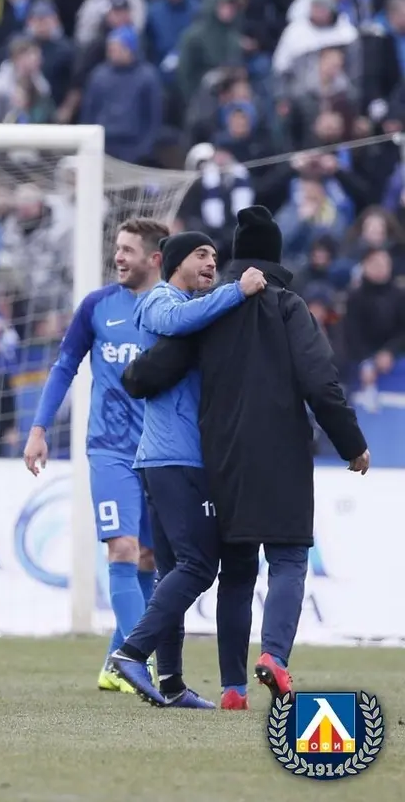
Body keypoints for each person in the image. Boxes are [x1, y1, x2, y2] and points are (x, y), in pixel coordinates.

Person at [121, 206, 369, 705]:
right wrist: (352, 444)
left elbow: (149, 373)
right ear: (276, 258)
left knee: (236, 571)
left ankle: (233, 688)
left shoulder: (212, 309)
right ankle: (273, 656)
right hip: (282, 457)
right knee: (289, 558)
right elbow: (321, 383)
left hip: (221, 462)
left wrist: (133, 377)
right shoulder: (289, 307)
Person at [108, 231, 267, 708]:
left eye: (215, 257)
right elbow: (176, 321)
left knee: (171, 572)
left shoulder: (196, 308)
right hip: (177, 459)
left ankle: (172, 683)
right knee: (199, 566)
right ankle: (131, 653)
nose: (211, 263)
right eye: (201, 255)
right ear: (174, 262)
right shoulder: (161, 300)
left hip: (168, 459)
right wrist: (238, 290)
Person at [23, 219, 168, 694]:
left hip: (159, 450)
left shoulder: (172, 309)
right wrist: (39, 429)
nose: (118, 257)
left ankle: (114, 663)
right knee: (122, 548)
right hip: (109, 448)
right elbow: (65, 365)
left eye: (129, 250)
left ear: (155, 258)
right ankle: (138, 663)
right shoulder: (97, 306)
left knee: (149, 557)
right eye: (117, 248)